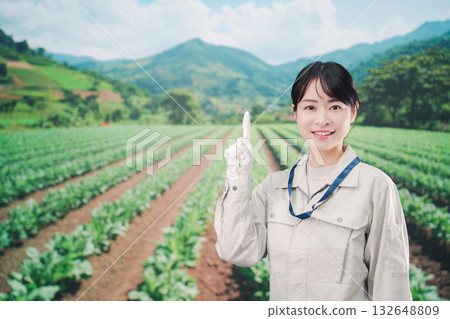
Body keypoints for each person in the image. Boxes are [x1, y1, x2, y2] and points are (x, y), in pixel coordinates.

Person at [214, 61, 412, 301]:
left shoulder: (377, 187)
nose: (322, 119)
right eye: (310, 107)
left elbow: (391, 286)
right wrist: (237, 180)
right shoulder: (272, 187)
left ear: (353, 111)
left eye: (335, 107)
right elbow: (238, 251)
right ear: (295, 112)